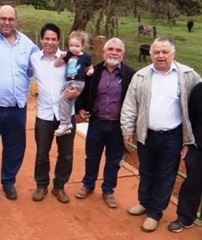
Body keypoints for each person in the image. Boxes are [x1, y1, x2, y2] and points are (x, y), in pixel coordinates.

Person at [121, 37, 201, 232]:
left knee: (165, 176)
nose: (161, 56)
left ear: (173, 53)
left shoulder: (188, 76)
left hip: (173, 136)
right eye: (157, 52)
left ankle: (155, 212)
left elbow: (198, 103)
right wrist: (127, 129)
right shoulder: (140, 76)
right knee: (146, 171)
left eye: (165, 52)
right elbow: (130, 105)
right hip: (146, 134)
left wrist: (188, 140)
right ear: (150, 54)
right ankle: (145, 202)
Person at [0, 5, 39, 202]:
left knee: (14, 147)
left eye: (10, 19)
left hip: (17, 108)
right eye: (3, 18)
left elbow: (37, 67)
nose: (7, 22)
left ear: (16, 21)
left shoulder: (28, 44)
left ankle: (8, 181)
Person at [75, 37, 135, 209]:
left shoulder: (131, 74)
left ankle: (108, 190)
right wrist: (81, 108)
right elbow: (83, 90)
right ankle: (88, 185)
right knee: (92, 156)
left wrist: (131, 128)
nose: (114, 53)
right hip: (96, 122)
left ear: (123, 54)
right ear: (104, 52)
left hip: (118, 126)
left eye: (118, 50)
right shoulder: (94, 71)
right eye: (111, 49)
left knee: (114, 160)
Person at [30, 23, 80, 204]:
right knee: (42, 153)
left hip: (66, 114)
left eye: (54, 39)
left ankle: (59, 187)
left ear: (59, 40)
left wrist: (77, 92)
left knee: (66, 153)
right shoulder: (34, 58)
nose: (50, 42)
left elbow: (80, 79)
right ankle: (41, 185)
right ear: (41, 39)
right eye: (47, 38)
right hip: (44, 115)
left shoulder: (70, 58)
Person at [168, 82, 202, 233]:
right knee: (192, 183)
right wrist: (187, 142)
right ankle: (185, 217)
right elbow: (189, 117)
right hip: (198, 147)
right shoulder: (199, 89)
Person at [54, 30, 93, 136]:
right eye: (71, 45)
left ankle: (64, 124)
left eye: (76, 45)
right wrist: (61, 57)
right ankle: (68, 124)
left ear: (82, 46)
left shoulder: (85, 57)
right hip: (70, 81)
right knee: (69, 102)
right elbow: (56, 64)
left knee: (63, 99)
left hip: (78, 82)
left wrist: (90, 71)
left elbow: (90, 67)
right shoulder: (69, 55)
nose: (73, 48)